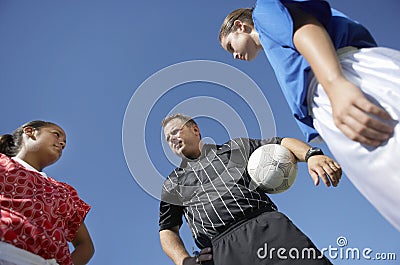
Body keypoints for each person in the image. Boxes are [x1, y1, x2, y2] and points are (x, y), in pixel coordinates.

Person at [218, 1, 400, 231]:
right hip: (332, 94)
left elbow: (304, 27)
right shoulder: (277, 49)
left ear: (240, 26)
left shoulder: (264, 13)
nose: (234, 55)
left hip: (343, 78)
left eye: (230, 46)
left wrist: (335, 84)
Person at [159, 113, 342, 265]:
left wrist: (311, 155)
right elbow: (167, 230)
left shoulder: (235, 149)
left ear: (195, 130)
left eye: (175, 132)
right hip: (221, 252)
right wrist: (184, 261)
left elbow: (281, 143)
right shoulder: (173, 183)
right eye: (168, 139)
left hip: (269, 230)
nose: (172, 139)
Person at [0, 120, 94, 265]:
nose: (62, 143)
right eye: (56, 135)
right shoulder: (2, 164)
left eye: (64, 143)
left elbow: (86, 245)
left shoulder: (63, 192)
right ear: (30, 132)